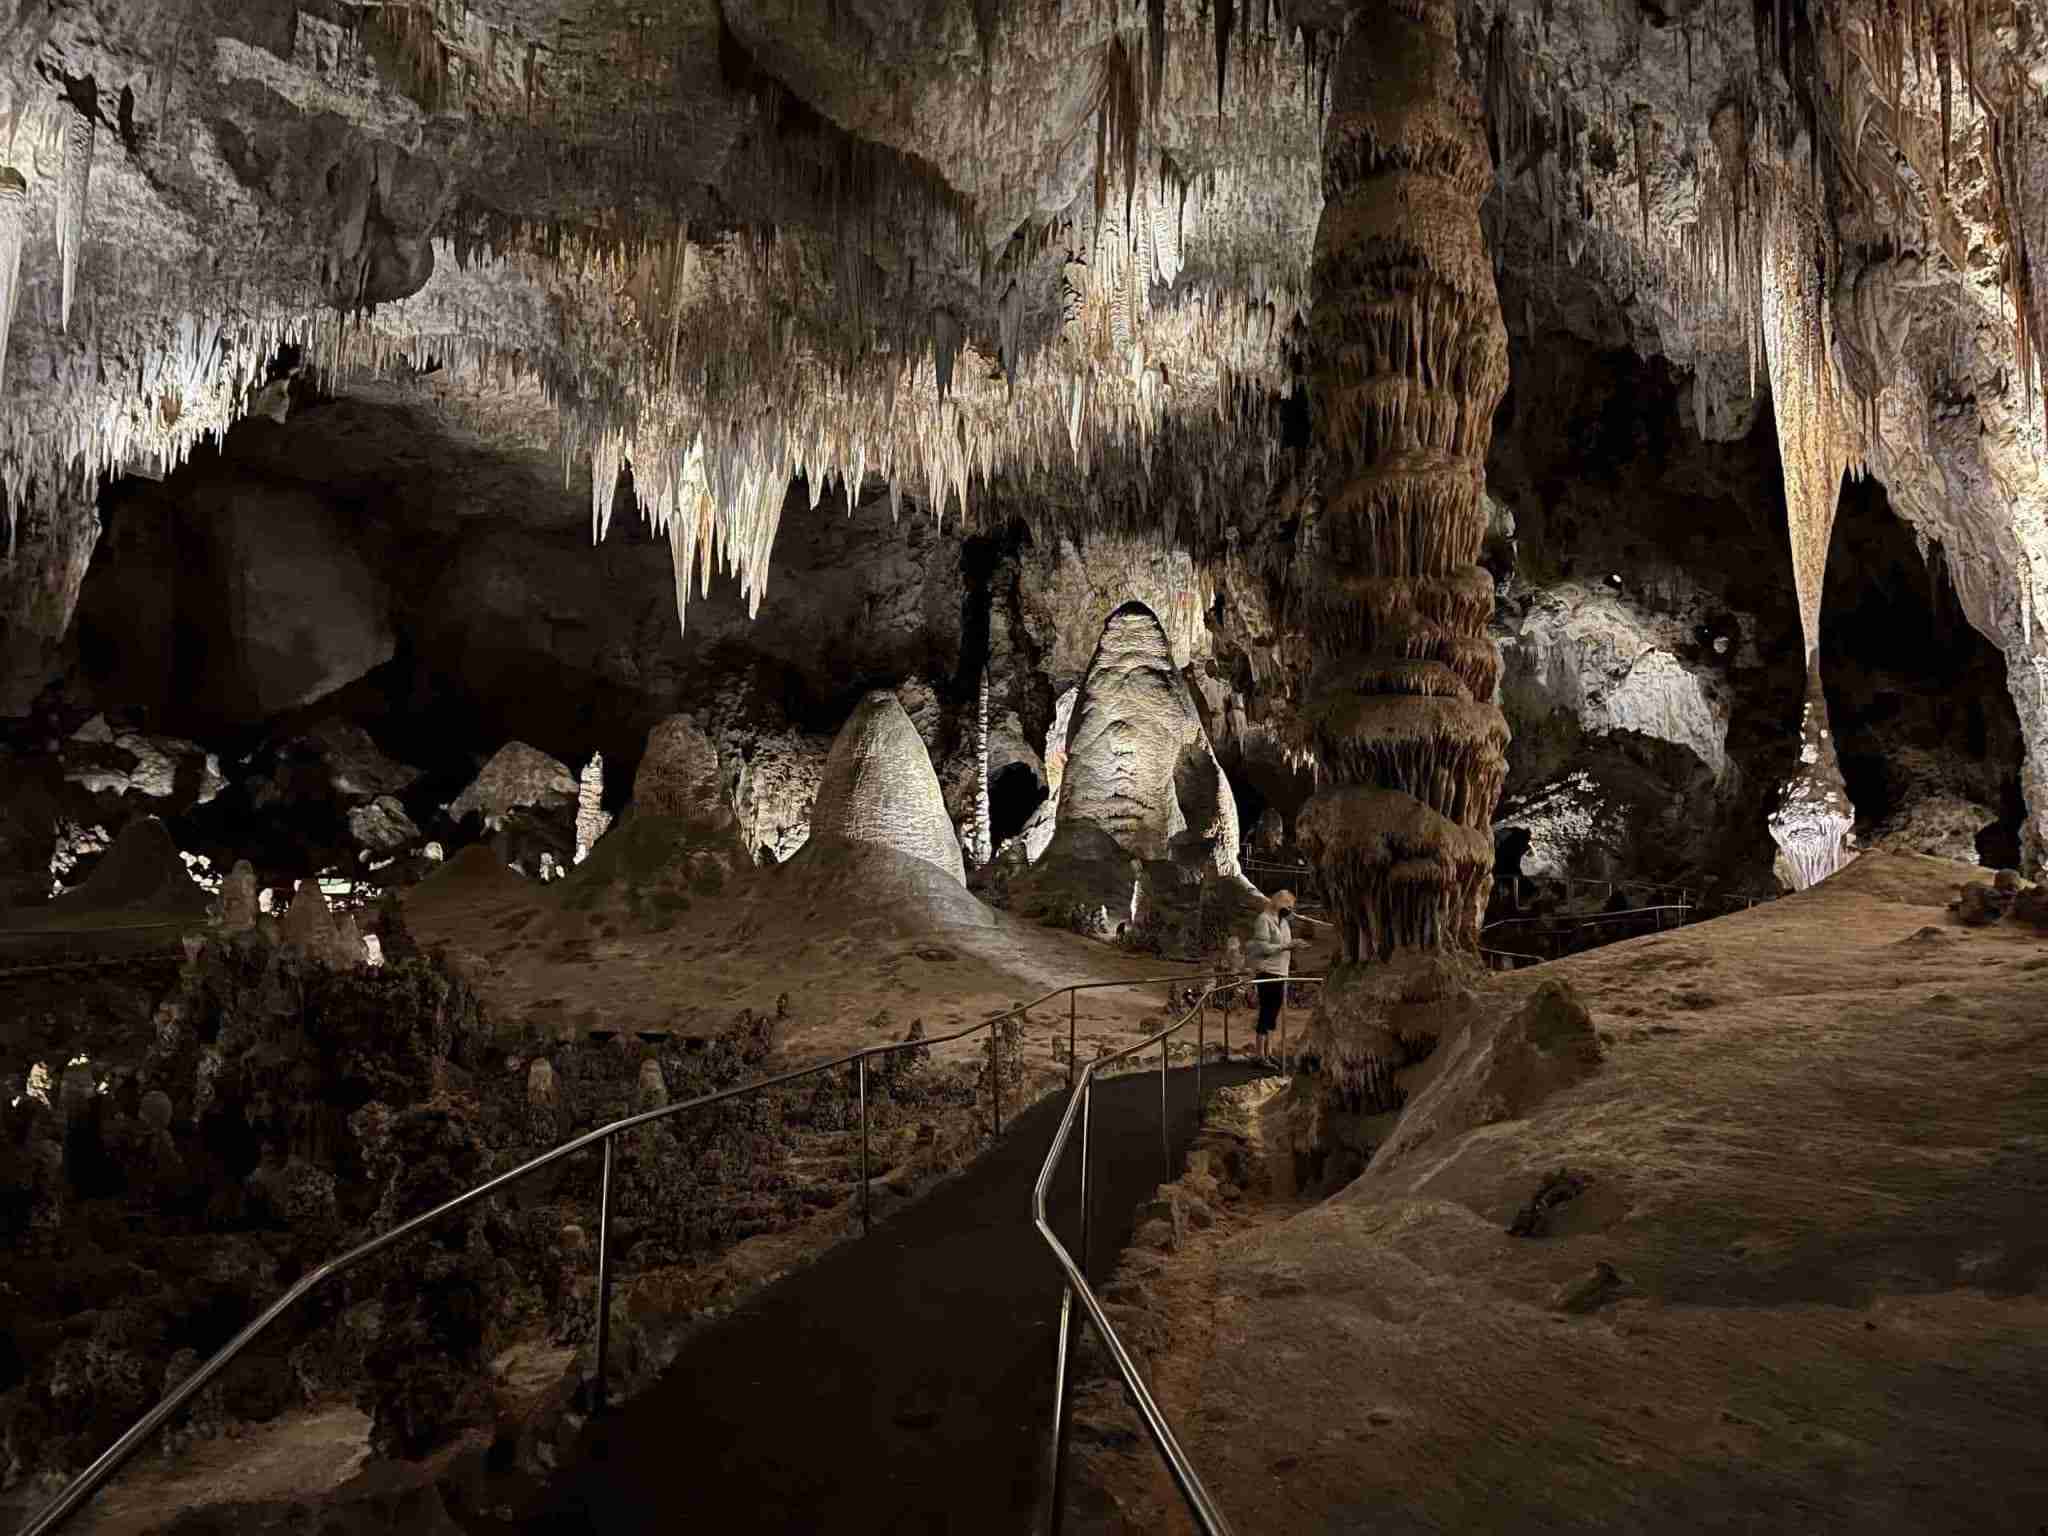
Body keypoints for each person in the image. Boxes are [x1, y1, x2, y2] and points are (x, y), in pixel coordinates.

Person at [1245, 890, 1309, 1062]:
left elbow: (1284, 944)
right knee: (1266, 1011)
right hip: (1267, 970)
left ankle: (1269, 1052)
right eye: (1288, 905)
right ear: (1278, 902)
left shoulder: (1284, 923)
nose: (1290, 909)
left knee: (1273, 1013)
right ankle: (1260, 1055)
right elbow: (1263, 947)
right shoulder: (1263, 919)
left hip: (1281, 971)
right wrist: (1287, 946)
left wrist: (1295, 945)